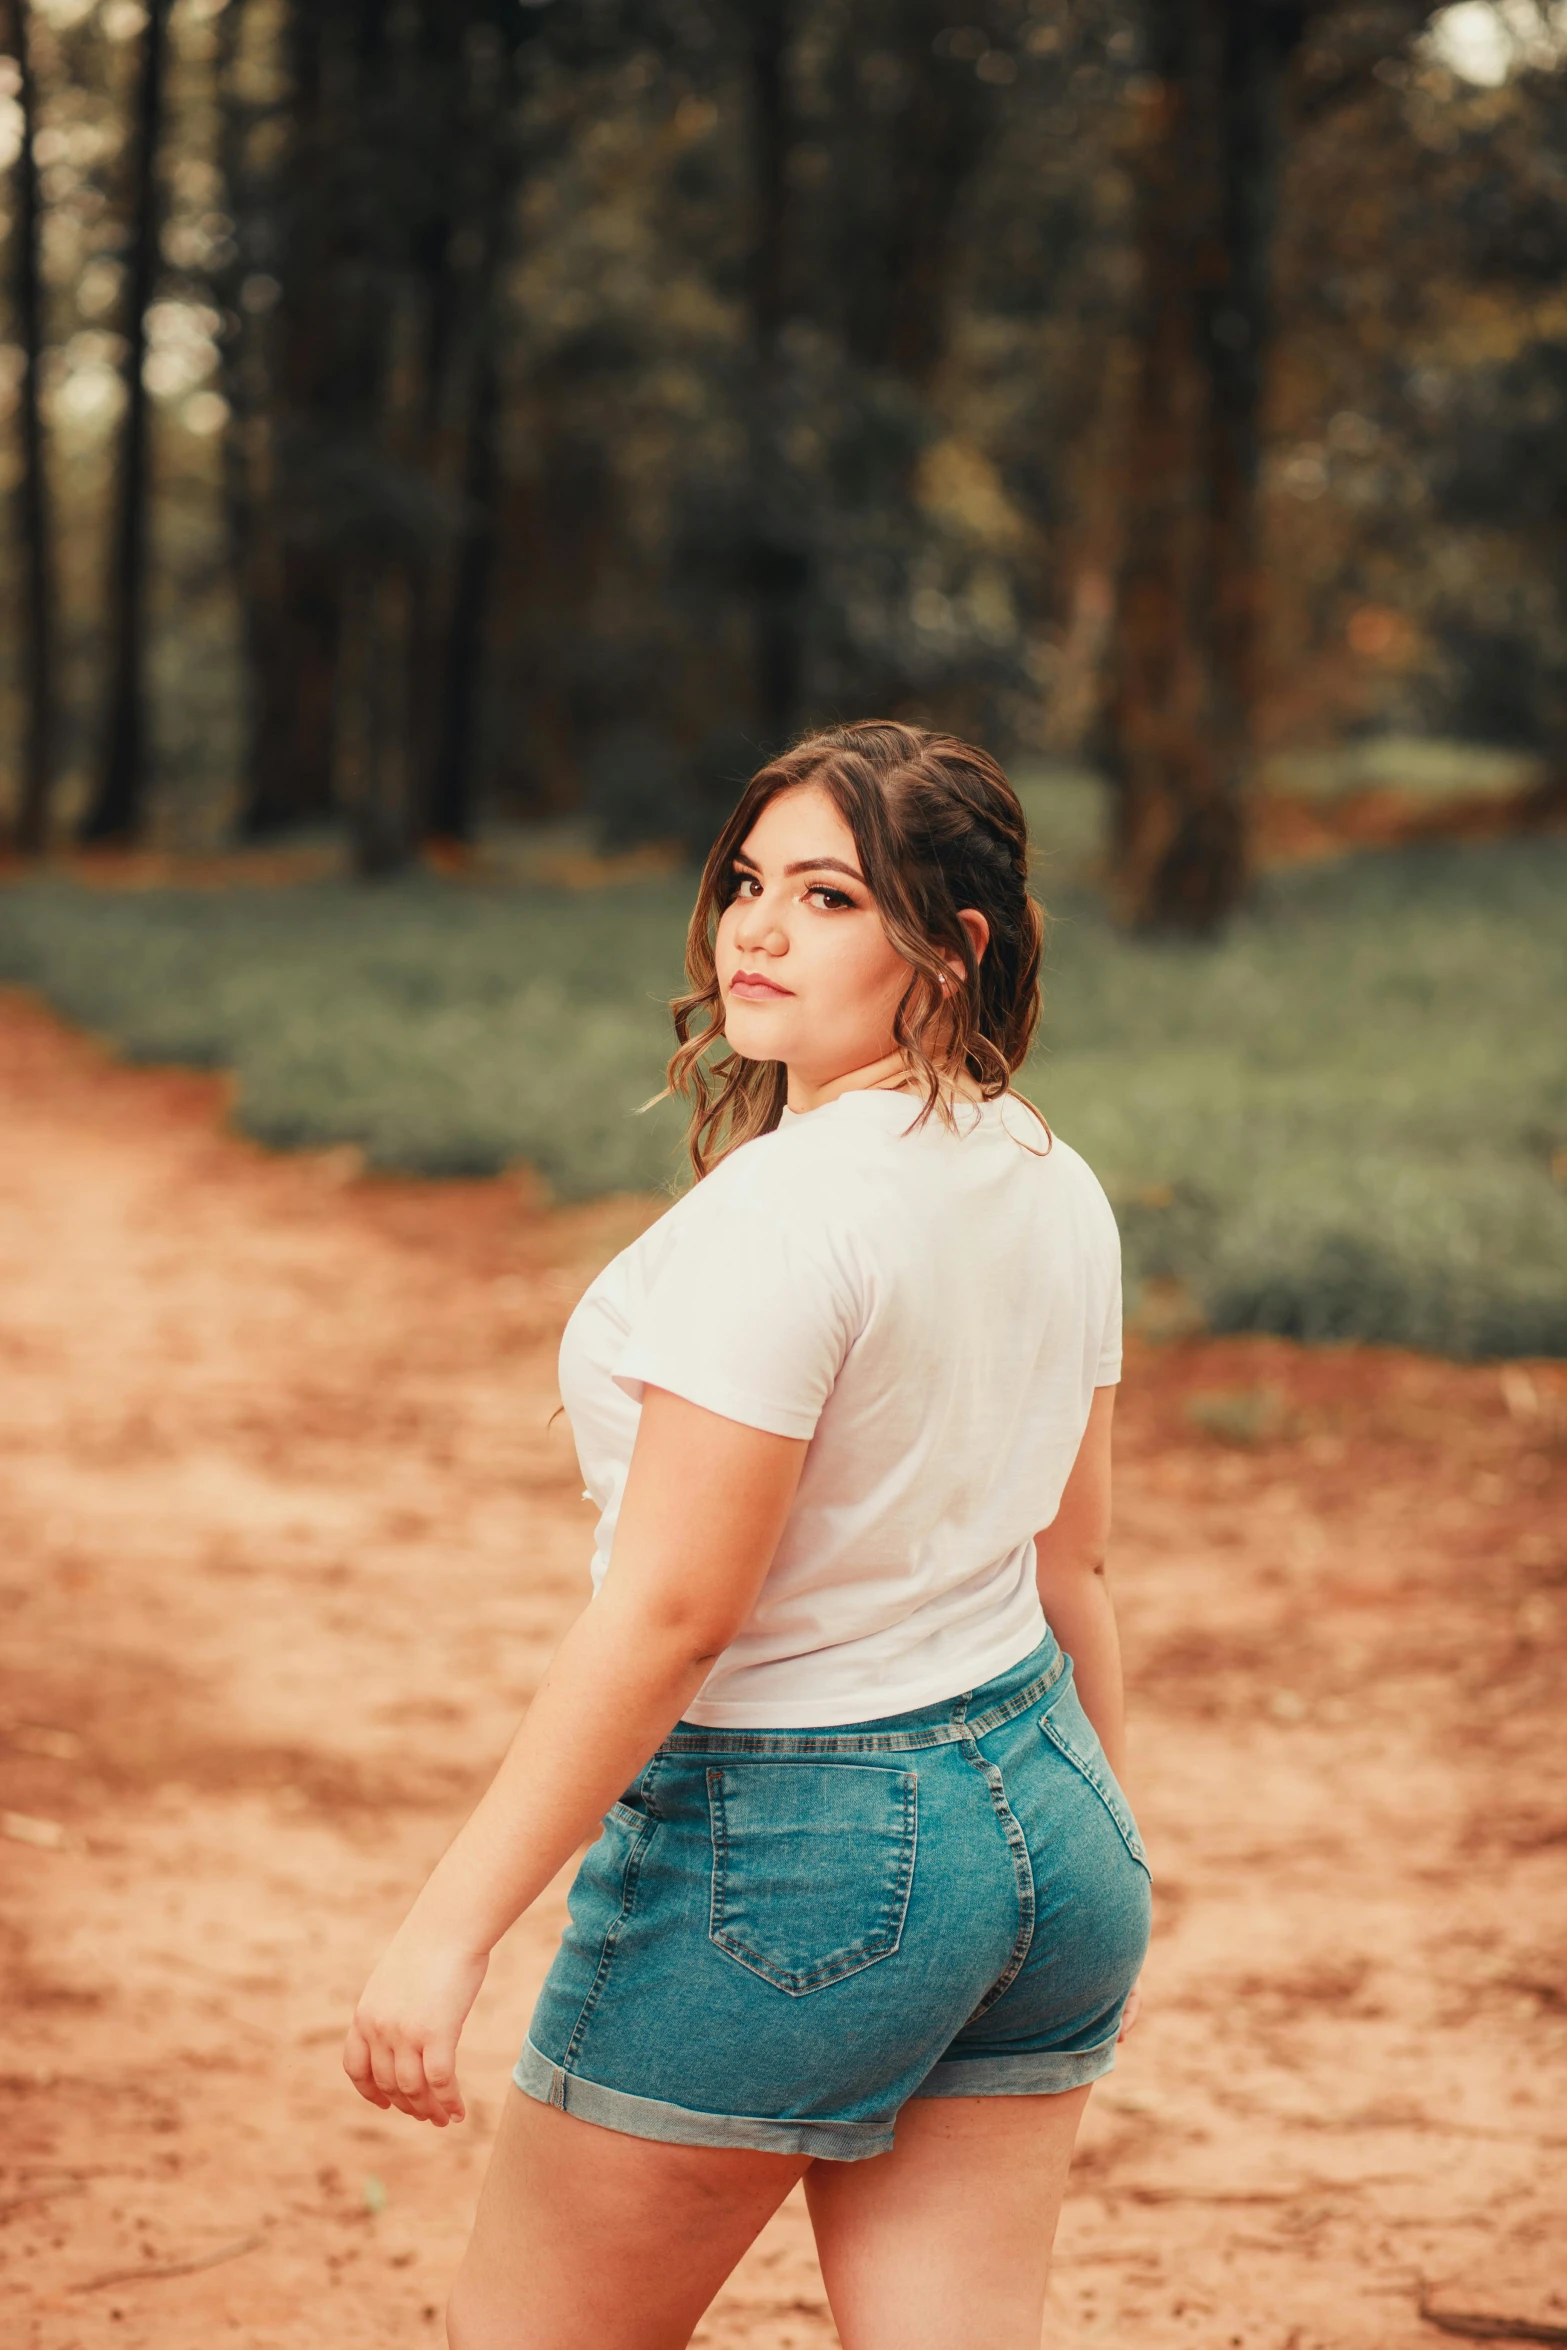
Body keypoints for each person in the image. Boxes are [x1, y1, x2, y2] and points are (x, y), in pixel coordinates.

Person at [343, 721, 1151, 2350]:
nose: (756, 931)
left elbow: (672, 1616)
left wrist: (448, 1926)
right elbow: (1076, 1572)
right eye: (745, 883)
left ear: (950, 946)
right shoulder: (1047, 1176)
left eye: (830, 894)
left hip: (799, 1849)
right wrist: (1098, 1853)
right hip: (1045, 1823)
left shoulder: (782, 1218)